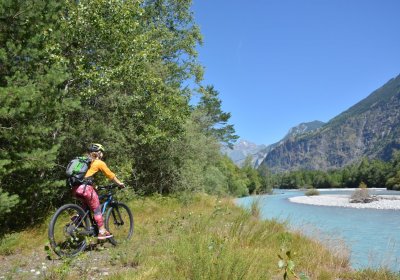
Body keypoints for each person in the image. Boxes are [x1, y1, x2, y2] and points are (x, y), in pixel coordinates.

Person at [71, 143, 125, 240]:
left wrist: (94, 186)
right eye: (102, 153)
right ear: (98, 153)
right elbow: (111, 175)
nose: (103, 155)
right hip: (86, 189)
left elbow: (85, 177)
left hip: (76, 188)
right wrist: (120, 184)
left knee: (85, 207)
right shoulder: (99, 162)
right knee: (96, 210)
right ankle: (102, 232)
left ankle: (76, 220)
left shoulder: (84, 162)